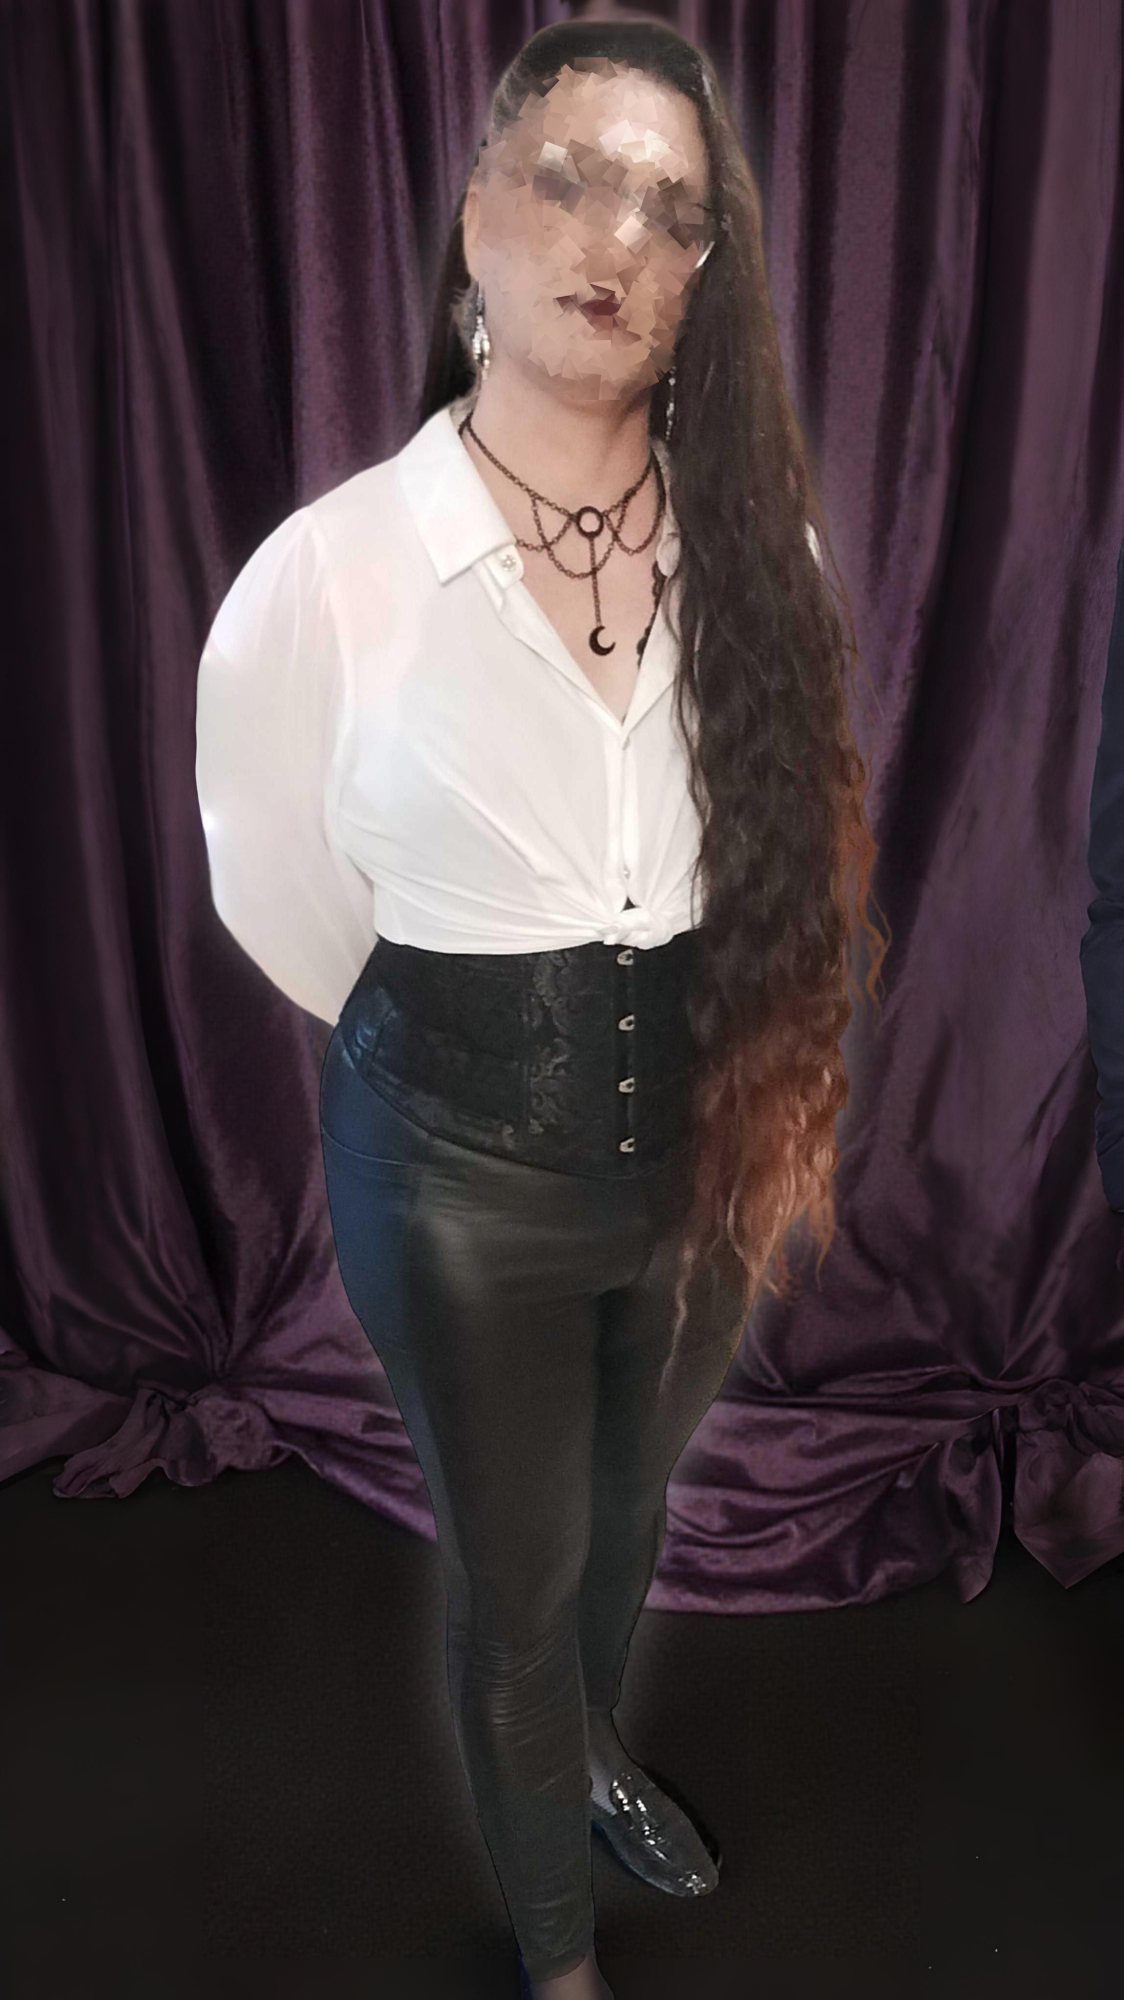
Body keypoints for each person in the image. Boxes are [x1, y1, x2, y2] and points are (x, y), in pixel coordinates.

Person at [195, 16, 887, 1995]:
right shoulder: (333, 572)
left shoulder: (765, 550)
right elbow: (283, 894)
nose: (617, 236)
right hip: (456, 1172)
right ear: (476, 218)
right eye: (569, 178)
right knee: (518, 1579)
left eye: (672, 210)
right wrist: (462, 1032)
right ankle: (561, 1960)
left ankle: (586, 1753)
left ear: (702, 278)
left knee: (630, 1506)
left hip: (695, 1141)